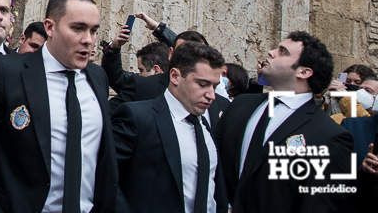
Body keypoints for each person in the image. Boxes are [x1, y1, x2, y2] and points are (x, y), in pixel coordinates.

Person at [0, 0, 118, 212]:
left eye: (94, 31)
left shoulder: (98, 78)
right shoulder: (9, 73)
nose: (88, 40)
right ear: (50, 27)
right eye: (78, 28)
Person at [214, 31, 355, 212]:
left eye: (282, 51)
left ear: (304, 71)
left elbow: (321, 204)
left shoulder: (328, 136)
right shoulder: (240, 106)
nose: (271, 52)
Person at [113, 42, 228, 212]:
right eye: (202, 84)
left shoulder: (205, 125)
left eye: (215, 86)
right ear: (175, 76)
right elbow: (105, 176)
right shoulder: (138, 117)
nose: (211, 95)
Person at [104, 26, 230, 124]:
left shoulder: (222, 107)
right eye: (184, 53)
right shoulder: (143, 88)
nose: (191, 60)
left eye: (199, 55)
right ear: (171, 54)